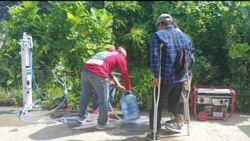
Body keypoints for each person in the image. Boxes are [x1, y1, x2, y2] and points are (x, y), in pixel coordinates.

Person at [146, 14, 193, 140]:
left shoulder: (158, 35)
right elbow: (190, 57)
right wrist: (187, 74)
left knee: (157, 105)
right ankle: (178, 121)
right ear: (172, 23)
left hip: (165, 78)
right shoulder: (185, 36)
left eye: (158, 26)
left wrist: (157, 75)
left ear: (161, 24)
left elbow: (155, 57)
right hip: (181, 77)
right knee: (174, 102)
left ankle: (155, 133)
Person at [78, 46, 131, 130]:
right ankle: (102, 124)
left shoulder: (105, 54)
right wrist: (128, 89)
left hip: (85, 71)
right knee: (104, 99)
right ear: (123, 55)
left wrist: (118, 85)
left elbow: (109, 72)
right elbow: (125, 74)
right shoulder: (120, 57)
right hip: (98, 74)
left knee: (85, 94)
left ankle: (81, 116)